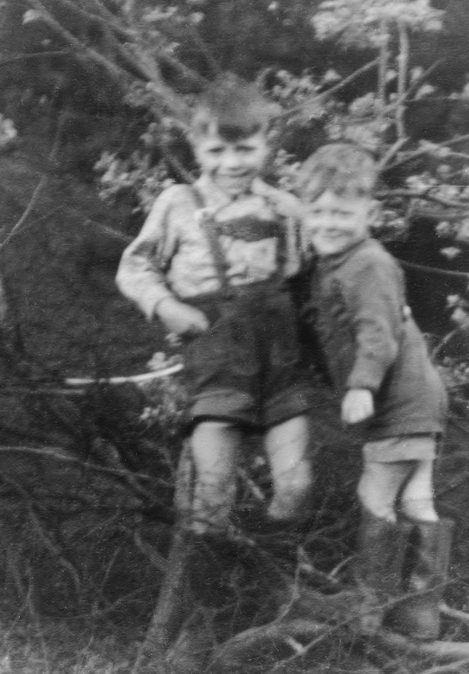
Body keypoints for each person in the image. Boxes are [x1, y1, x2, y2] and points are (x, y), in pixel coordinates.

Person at [117, 75, 319, 542]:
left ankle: (265, 561)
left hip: (280, 362)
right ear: (195, 147)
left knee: (296, 485)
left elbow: (318, 275)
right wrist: (164, 304)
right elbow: (134, 268)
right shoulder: (179, 203)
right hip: (218, 360)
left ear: (266, 145)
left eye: (245, 150)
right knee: (211, 494)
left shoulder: (284, 209)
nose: (231, 163)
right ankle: (206, 577)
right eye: (216, 152)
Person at [296, 142, 452, 640]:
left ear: (370, 212)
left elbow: (377, 333)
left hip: (398, 402)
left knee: (376, 495)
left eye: (342, 213)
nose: (328, 223)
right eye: (317, 212)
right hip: (419, 398)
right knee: (417, 501)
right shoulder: (335, 263)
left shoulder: (368, 264)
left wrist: (361, 385)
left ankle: (369, 606)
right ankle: (421, 612)